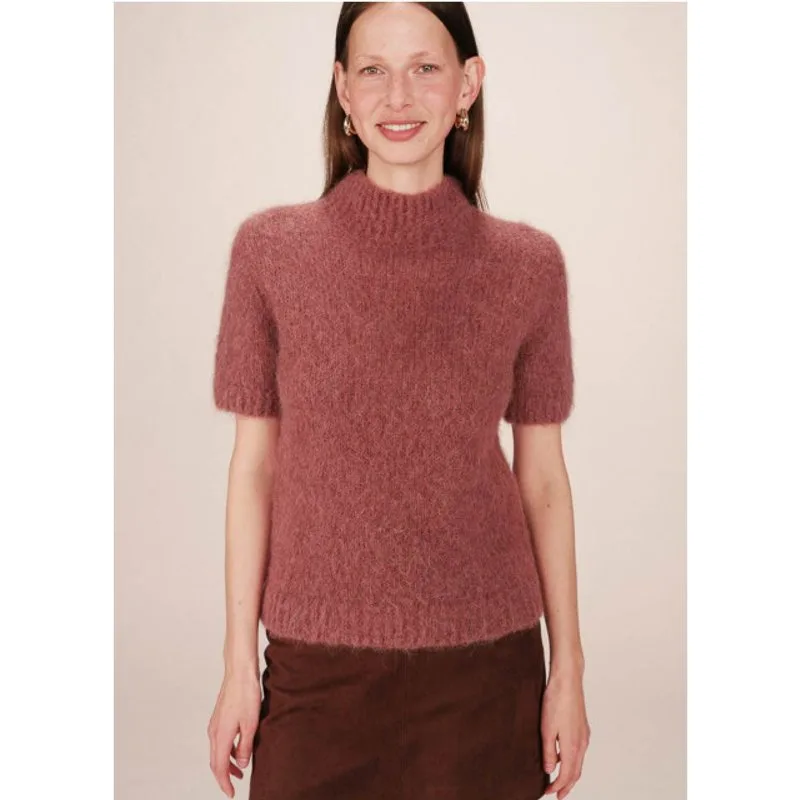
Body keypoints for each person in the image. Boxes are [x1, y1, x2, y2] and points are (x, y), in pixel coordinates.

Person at [207, 2, 591, 799]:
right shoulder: (270, 253)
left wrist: (569, 672)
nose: (399, 97)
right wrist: (239, 666)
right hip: (316, 675)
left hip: (486, 674)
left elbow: (544, 480)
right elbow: (253, 471)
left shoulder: (528, 266)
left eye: (425, 68)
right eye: (374, 71)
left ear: (468, 85)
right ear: (342, 90)